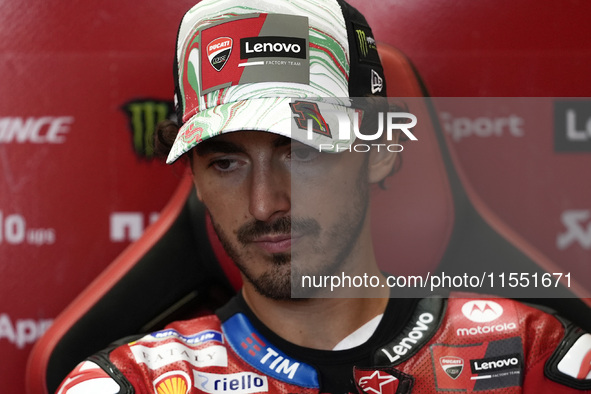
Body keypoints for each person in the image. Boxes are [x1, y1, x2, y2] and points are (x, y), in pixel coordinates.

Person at [56, 0, 591, 393]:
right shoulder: (136, 383)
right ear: (194, 177)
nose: (265, 204)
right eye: (225, 161)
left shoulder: (530, 355)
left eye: (303, 151)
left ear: (380, 149)